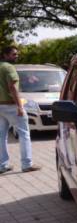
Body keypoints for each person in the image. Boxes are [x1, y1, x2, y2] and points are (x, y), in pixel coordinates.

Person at [0, 46, 40, 174]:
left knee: (1, 136)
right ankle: (27, 164)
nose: (16, 56)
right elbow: (13, 88)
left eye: (16, 54)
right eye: (13, 54)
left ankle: (2, 165)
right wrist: (20, 106)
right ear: (5, 55)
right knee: (24, 134)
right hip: (11, 106)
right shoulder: (9, 67)